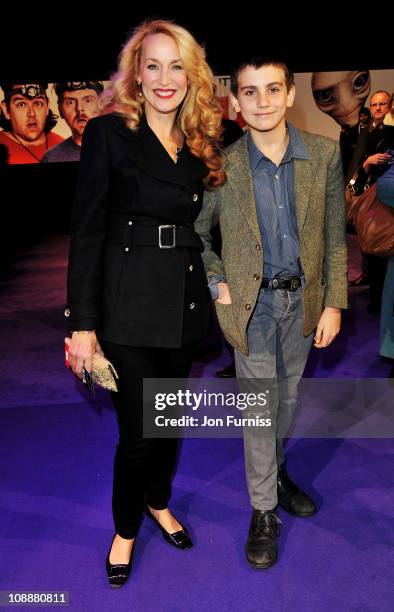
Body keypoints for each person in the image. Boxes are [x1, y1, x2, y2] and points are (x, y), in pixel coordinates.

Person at [65, 19, 225, 587]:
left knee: (170, 421)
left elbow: (209, 229)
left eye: (176, 66)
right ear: (136, 73)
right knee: (137, 433)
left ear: (192, 76)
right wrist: (82, 326)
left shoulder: (200, 143)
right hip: (126, 308)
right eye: (152, 65)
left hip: (181, 306)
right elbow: (86, 234)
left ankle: (160, 502)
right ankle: (126, 530)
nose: (164, 78)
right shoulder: (109, 133)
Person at [195, 57, 348, 569]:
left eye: (272, 89)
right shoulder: (224, 165)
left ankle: (277, 473)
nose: (262, 101)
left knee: (286, 399)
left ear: (289, 96)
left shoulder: (325, 155)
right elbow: (197, 236)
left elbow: (332, 236)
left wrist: (333, 303)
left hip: (302, 303)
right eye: (250, 91)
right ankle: (263, 511)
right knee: (259, 410)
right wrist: (217, 282)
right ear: (235, 102)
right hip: (252, 309)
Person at [0, 82, 63, 163]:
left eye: (37, 103)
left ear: (47, 106)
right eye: (21, 104)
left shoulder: (63, 145)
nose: (32, 114)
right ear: (6, 110)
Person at [42, 81, 103, 162]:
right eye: (70, 102)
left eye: (88, 100)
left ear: (101, 105)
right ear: (60, 110)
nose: (79, 109)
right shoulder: (50, 158)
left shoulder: (120, 149)